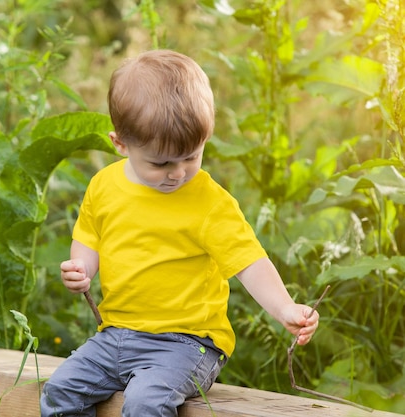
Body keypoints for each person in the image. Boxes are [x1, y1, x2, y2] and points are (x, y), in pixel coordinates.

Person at [40, 49, 319, 417]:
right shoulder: (104, 185)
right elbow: (89, 236)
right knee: (61, 392)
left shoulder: (209, 202)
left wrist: (284, 307)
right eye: (161, 163)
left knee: (146, 403)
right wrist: (81, 267)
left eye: (192, 156)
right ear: (120, 144)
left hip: (188, 344)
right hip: (116, 335)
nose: (178, 173)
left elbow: (248, 262)